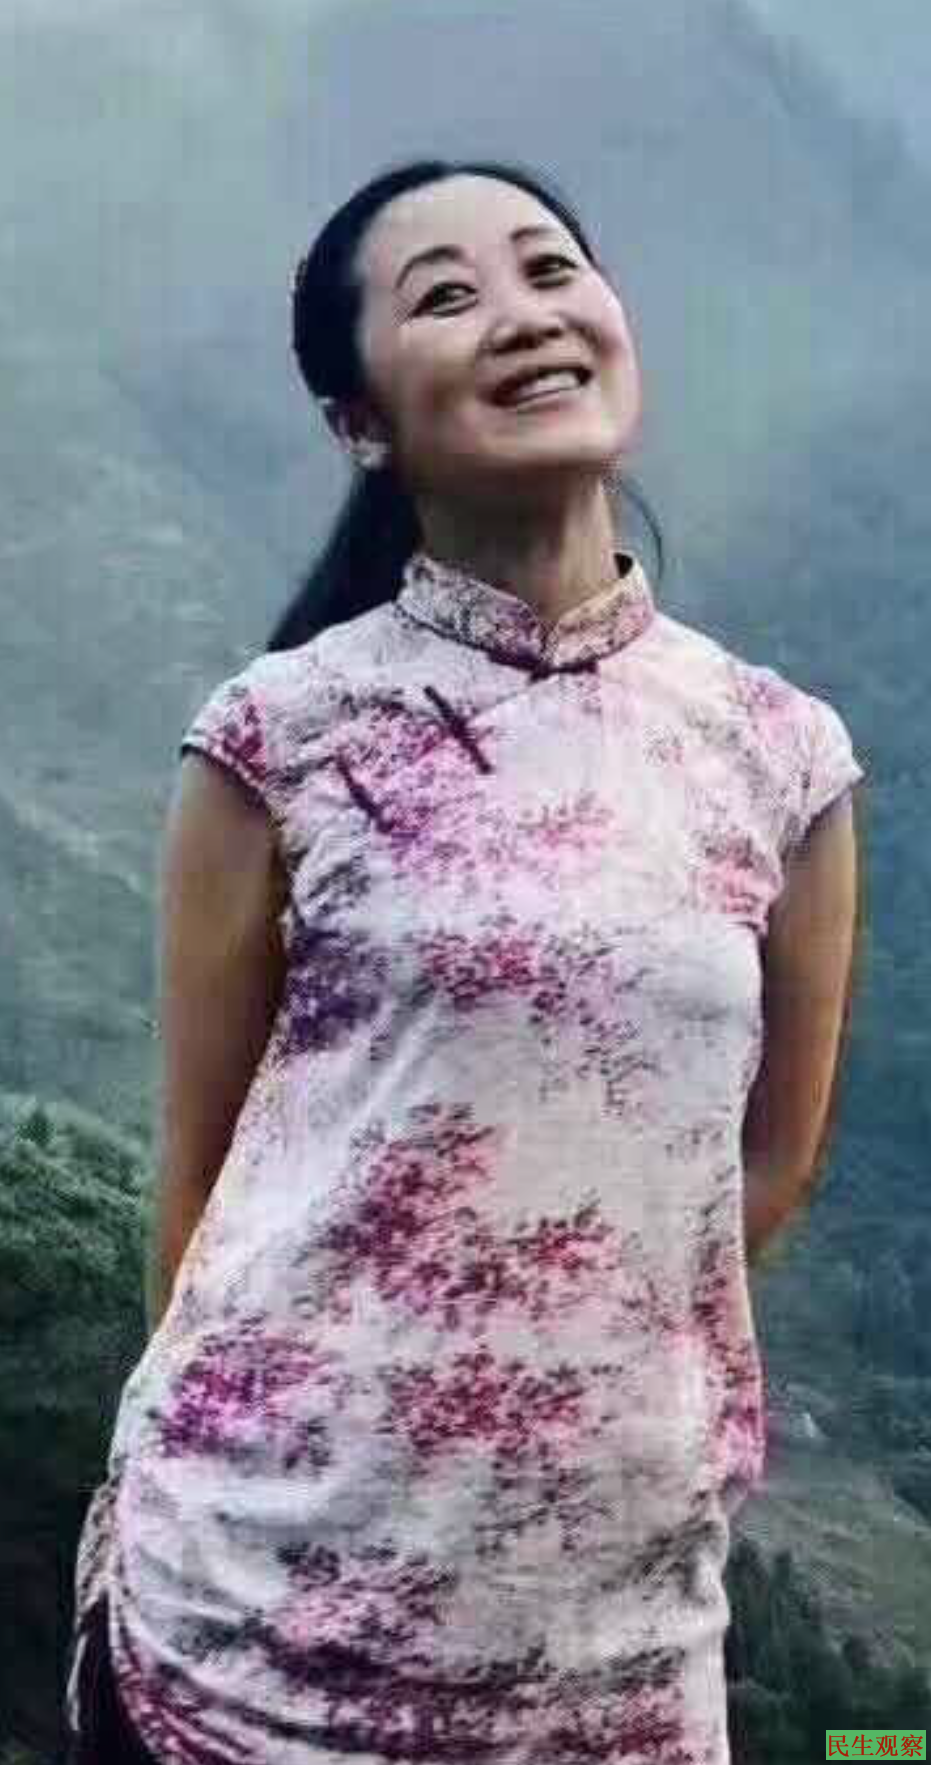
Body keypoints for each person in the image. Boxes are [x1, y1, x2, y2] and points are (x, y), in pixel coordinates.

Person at [65, 158, 863, 1765]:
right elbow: (200, 1185)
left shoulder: (776, 753)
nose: (521, 316)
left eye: (548, 269)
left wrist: (555, 1349)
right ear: (359, 422)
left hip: (611, 1640)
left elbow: (767, 1160)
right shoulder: (277, 737)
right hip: (251, 1627)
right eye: (445, 296)